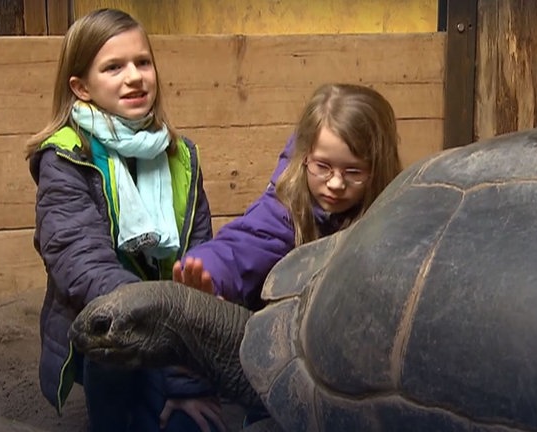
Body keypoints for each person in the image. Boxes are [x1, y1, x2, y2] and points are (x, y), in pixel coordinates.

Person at [25, 8, 224, 432]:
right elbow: (78, 261)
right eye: (113, 67)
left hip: (175, 325)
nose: (134, 77)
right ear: (81, 87)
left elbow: (199, 247)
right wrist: (164, 319)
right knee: (108, 347)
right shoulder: (65, 157)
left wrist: (191, 354)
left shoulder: (180, 154)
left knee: (195, 422)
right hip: (110, 318)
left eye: (143, 62)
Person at [173, 83, 402, 311]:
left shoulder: (396, 209)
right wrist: (208, 274)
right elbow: (241, 247)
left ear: (377, 168)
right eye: (323, 167)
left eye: (353, 172)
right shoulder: (287, 209)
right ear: (304, 157)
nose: (336, 184)